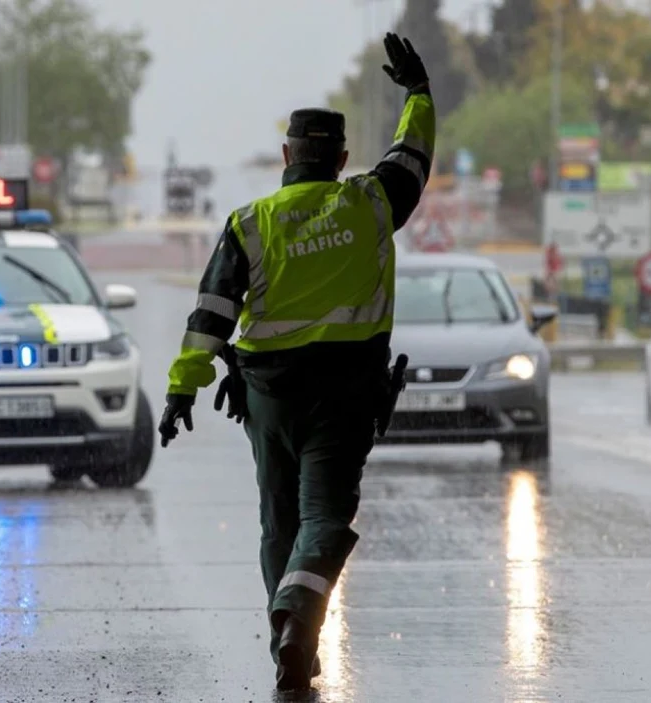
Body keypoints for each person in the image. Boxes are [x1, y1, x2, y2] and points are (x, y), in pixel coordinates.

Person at [157, 33, 435, 691]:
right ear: (340, 158)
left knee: (279, 520)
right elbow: (412, 156)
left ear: (286, 156)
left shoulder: (250, 221)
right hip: (342, 396)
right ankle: (296, 618)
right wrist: (419, 95)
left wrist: (182, 390)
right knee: (325, 520)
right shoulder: (369, 204)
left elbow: (210, 315)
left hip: (268, 397)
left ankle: (291, 638)